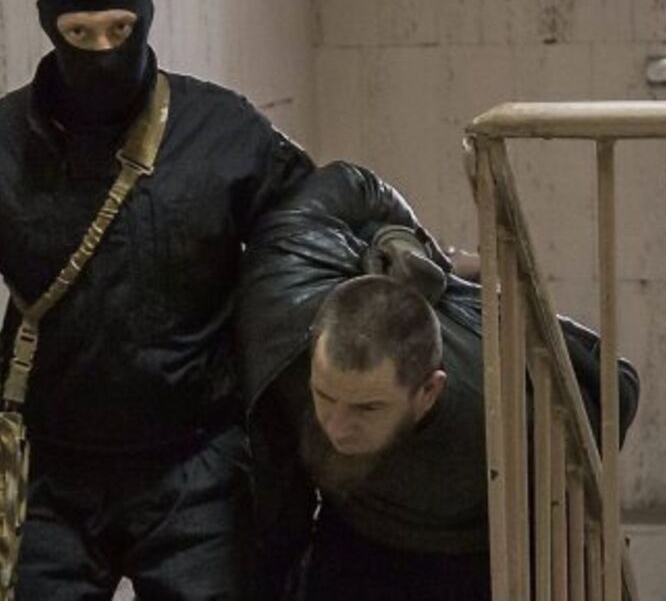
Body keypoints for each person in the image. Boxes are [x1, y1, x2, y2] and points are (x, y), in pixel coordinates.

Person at [0, 0, 314, 598]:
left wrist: (388, 252)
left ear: (146, 13)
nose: (104, 51)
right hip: (49, 470)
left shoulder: (223, 135)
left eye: (120, 28)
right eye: (79, 33)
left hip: (196, 462)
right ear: (47, 25)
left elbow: (314, 232)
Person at [236, 162, 639, 600]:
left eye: (367, 407)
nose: (336, 426)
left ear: (429, 392)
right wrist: (404, 238)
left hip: (470, 551)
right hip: (351, 529)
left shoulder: (502, 407)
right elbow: (351, 183)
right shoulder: (282, 305)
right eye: (324, 395)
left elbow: (614, 388)